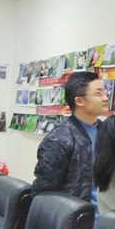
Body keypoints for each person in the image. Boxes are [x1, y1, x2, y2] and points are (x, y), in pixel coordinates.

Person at [32, 72, 108, 216]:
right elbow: (44, 193)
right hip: (76, 221)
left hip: (107, 221)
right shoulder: (59, 140)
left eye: (104, 93)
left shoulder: (107, 131)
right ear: (79, 101)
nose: (105, 98)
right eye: (99, 94)